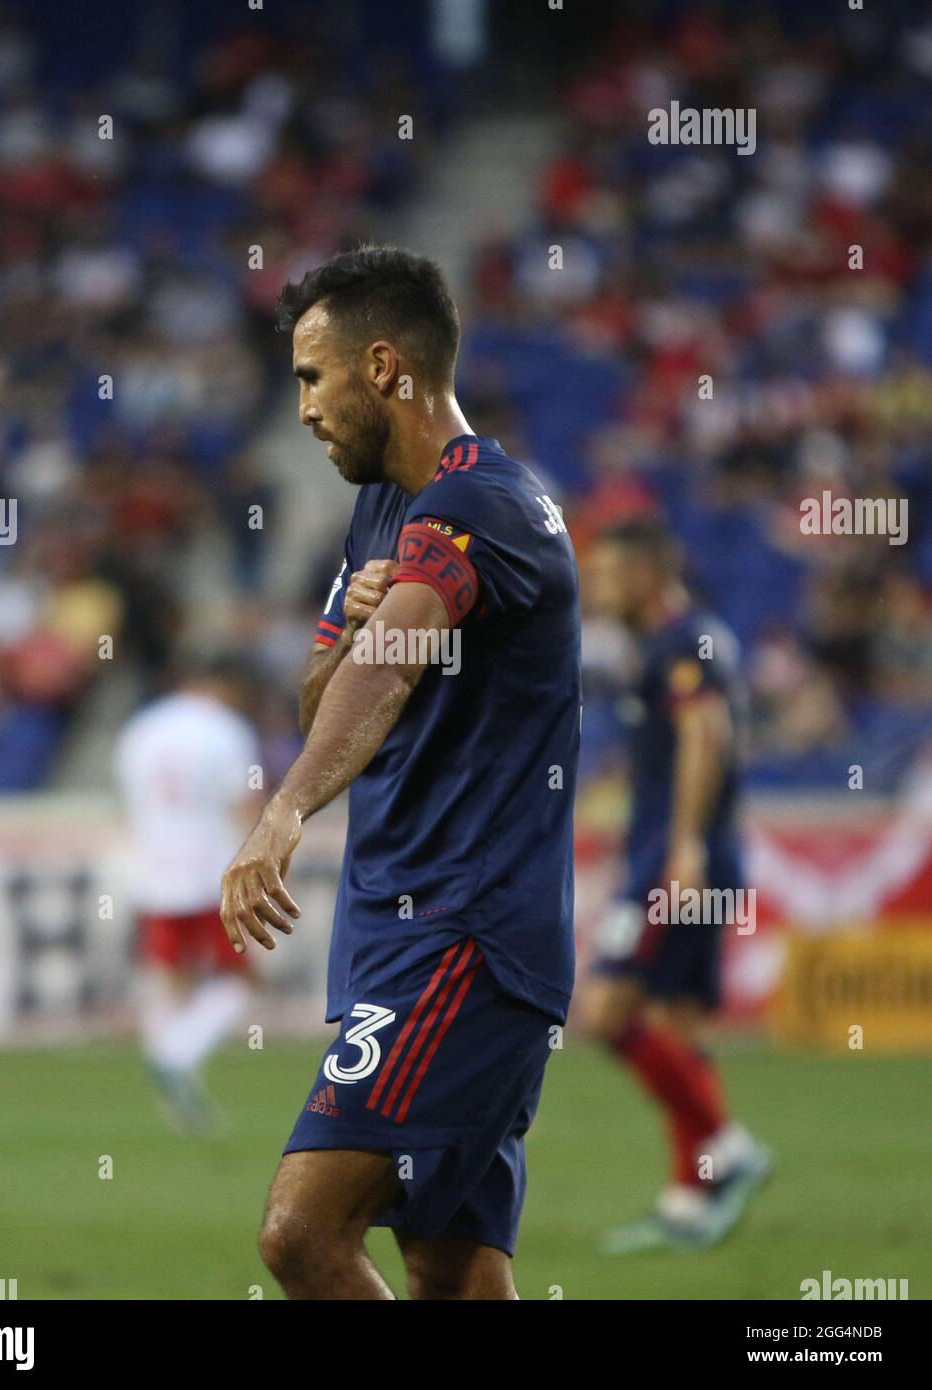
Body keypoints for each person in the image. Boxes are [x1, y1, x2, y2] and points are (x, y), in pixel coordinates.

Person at [219, 246, 581, 1300]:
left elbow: (386, 665)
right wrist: (352, 623)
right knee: (450, 1269)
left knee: (301, 1230)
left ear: (383, 368)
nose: (300, 407)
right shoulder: (381, 507)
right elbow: (324, 687)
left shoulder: (484, 508)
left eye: (310, 376)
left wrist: (285, 808)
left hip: (465, 938)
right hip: (400, 935)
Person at [581, 519, 771, 1253]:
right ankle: (691, 1199)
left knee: (605, 1011)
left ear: (647, 573)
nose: (596, 587)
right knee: (681, 1027)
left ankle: (729, 1145)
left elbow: (705, 735)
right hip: (684, 851)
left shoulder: (683, 640)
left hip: (675, 862)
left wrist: (682, 846)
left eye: (607, 573)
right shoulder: (675, 644)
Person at [115, 654, 261, 1133]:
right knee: (239, 981)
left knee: (170, 978)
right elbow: (246, 804)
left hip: (154, 872)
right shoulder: (225, 730)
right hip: (212, 873)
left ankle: (176, 1088)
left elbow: (129, 803)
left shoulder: (140, 730)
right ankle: (175, 1055)